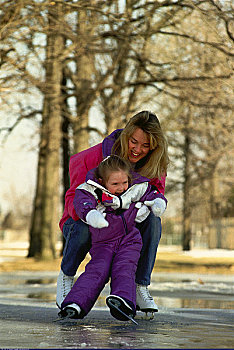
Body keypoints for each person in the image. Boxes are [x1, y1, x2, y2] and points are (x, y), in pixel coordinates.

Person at [57, 110, 169, 313]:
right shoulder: (93, 157)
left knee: (153, 221)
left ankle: (138, 287)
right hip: (85, 222)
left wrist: (139, 208)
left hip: (124, 229)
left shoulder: (154, 166)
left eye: (146, 145)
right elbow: (75, 198)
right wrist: (94, 212)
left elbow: (156, 196)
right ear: (126, 136)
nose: (137, 149)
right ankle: (66, 277)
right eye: (134, 141)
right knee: (87, 241)